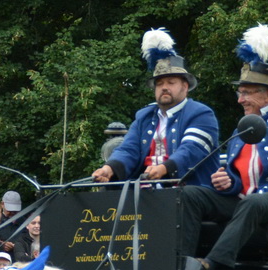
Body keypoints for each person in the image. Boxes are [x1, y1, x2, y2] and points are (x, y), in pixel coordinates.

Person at [182, 25, 268, 270]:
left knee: (253, 203)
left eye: (245, 93)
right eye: (239, 92)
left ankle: (212, 264)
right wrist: (227, 181)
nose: (239, 99)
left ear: (267, 94)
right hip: (247, 200)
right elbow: (241, 179)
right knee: (190, 194)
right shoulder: (243, 128)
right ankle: (181, 263)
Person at [92, 28, 220, 190]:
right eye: (159, 83)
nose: (164, 87)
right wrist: (108, 169)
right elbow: (128, 150)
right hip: (146, 193)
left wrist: (163, 169)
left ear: (185, 86)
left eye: (171, 82)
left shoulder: (201, 114)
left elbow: (190, 151)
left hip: (187, 192)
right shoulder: (144, 117)